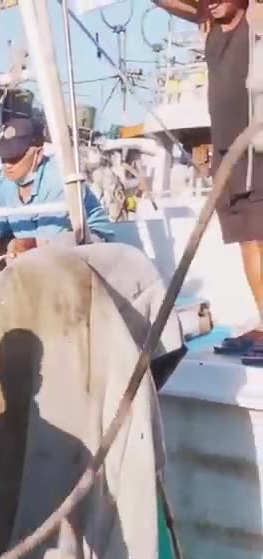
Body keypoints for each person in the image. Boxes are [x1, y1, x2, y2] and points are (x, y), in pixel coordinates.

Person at [152, 0, 263, 358]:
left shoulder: (257, 16)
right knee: (249, 241)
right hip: (226, 155)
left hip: (257, 151)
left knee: (261, 238)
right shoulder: (207, 21)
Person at [0, 117, 116, 295]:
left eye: (14, 158)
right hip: (34, 244)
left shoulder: (58, 179)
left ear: (37, 155)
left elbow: (47, 244)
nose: (7, 165)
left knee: (35, 249)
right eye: (4, 158)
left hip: (87, 242)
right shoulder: (0, 182)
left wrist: (19, 247)